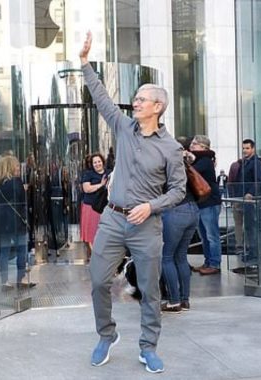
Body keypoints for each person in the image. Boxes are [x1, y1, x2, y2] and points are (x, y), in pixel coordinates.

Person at [80, 32, 186, 374]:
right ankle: (106, 335)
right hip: (112, 219)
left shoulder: (170, 147)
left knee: (149, 289)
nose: (135, 103)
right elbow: (102, 99)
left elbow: (179, 191)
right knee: (98, 281)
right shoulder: (124, 128)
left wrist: (152, 207)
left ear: (158, 106)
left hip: (147, 225)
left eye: (142, 99)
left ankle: (148, 347)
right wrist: (84, 63)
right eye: (136, 98)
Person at [160, 137, 199, 312]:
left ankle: (174, 300)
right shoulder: (183, 161)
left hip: (175, 211)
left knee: (166, 257)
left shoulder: (165, 163)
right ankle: (185, 300)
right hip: (192, 209)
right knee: (181, 256)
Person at [0, 155, 34, 290]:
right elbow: (22, 202)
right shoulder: (17, 182)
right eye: (17, 166)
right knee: (21, 250)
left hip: (3, 223)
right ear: (11, 167)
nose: (19, 168)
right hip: (17, 222)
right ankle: (21, 279)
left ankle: (4, 281)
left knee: (4, 252)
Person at [189, 135, 222, 275]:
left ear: (204, 147)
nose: (191, 146)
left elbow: (190, 172)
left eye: (195, 144)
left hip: (209, 203)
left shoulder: (205, 160)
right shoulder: (201, 159)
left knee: (211, 235)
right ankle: (208, 261)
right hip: (202, 203)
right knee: (204, 236)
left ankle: (214, 263)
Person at [232, 139, 261, 261]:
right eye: (243, 148)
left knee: (251, 226)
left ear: (253, 149)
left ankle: (254, 251)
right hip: (242, 199)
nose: (245, 150)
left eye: (247, 148)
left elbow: (258, 180)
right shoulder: (245, 163)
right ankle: (250, 250)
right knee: (247, 226)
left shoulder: (256, 163)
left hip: (250, 199)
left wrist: (250, 193)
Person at [80, 153, 109, 260]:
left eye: (99, 161)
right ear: (92, 164)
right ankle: (95, 258)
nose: (97, 164)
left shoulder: (109, 173)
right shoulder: (88, 174)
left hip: (106, 208)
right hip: (91, 208)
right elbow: (86, 189)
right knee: (92, 233)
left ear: (103, 161)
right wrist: (101, 185)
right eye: (95, 162)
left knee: (104, 234)